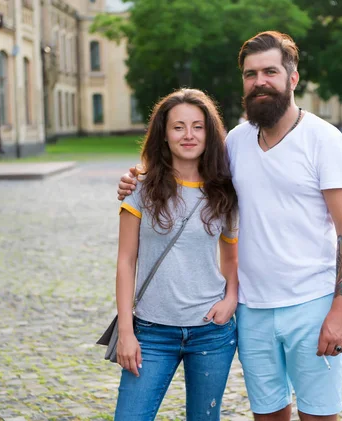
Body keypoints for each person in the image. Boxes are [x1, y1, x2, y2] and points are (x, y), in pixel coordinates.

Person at [118, 31, 342, 421]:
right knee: (267, 414)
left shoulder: (325, 141)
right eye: (251, 74)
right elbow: (189, 173)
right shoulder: (235, 142)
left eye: (270, 71)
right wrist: (137, 178)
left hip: (310, 305)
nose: (260, 81)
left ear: (293, 77)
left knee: (318, 415)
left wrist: (340, 311)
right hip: (252, 309)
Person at [114, 88, 239, 421]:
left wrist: (231, 300)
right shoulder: (140, 187)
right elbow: (126, 262)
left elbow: (231, 257)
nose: (188, 135)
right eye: (178, 127)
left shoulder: (224, 190)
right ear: (164, 135)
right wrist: (126, 332)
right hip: (152, 331)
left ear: (209, 134)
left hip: (210, 331)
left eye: (198, 126)